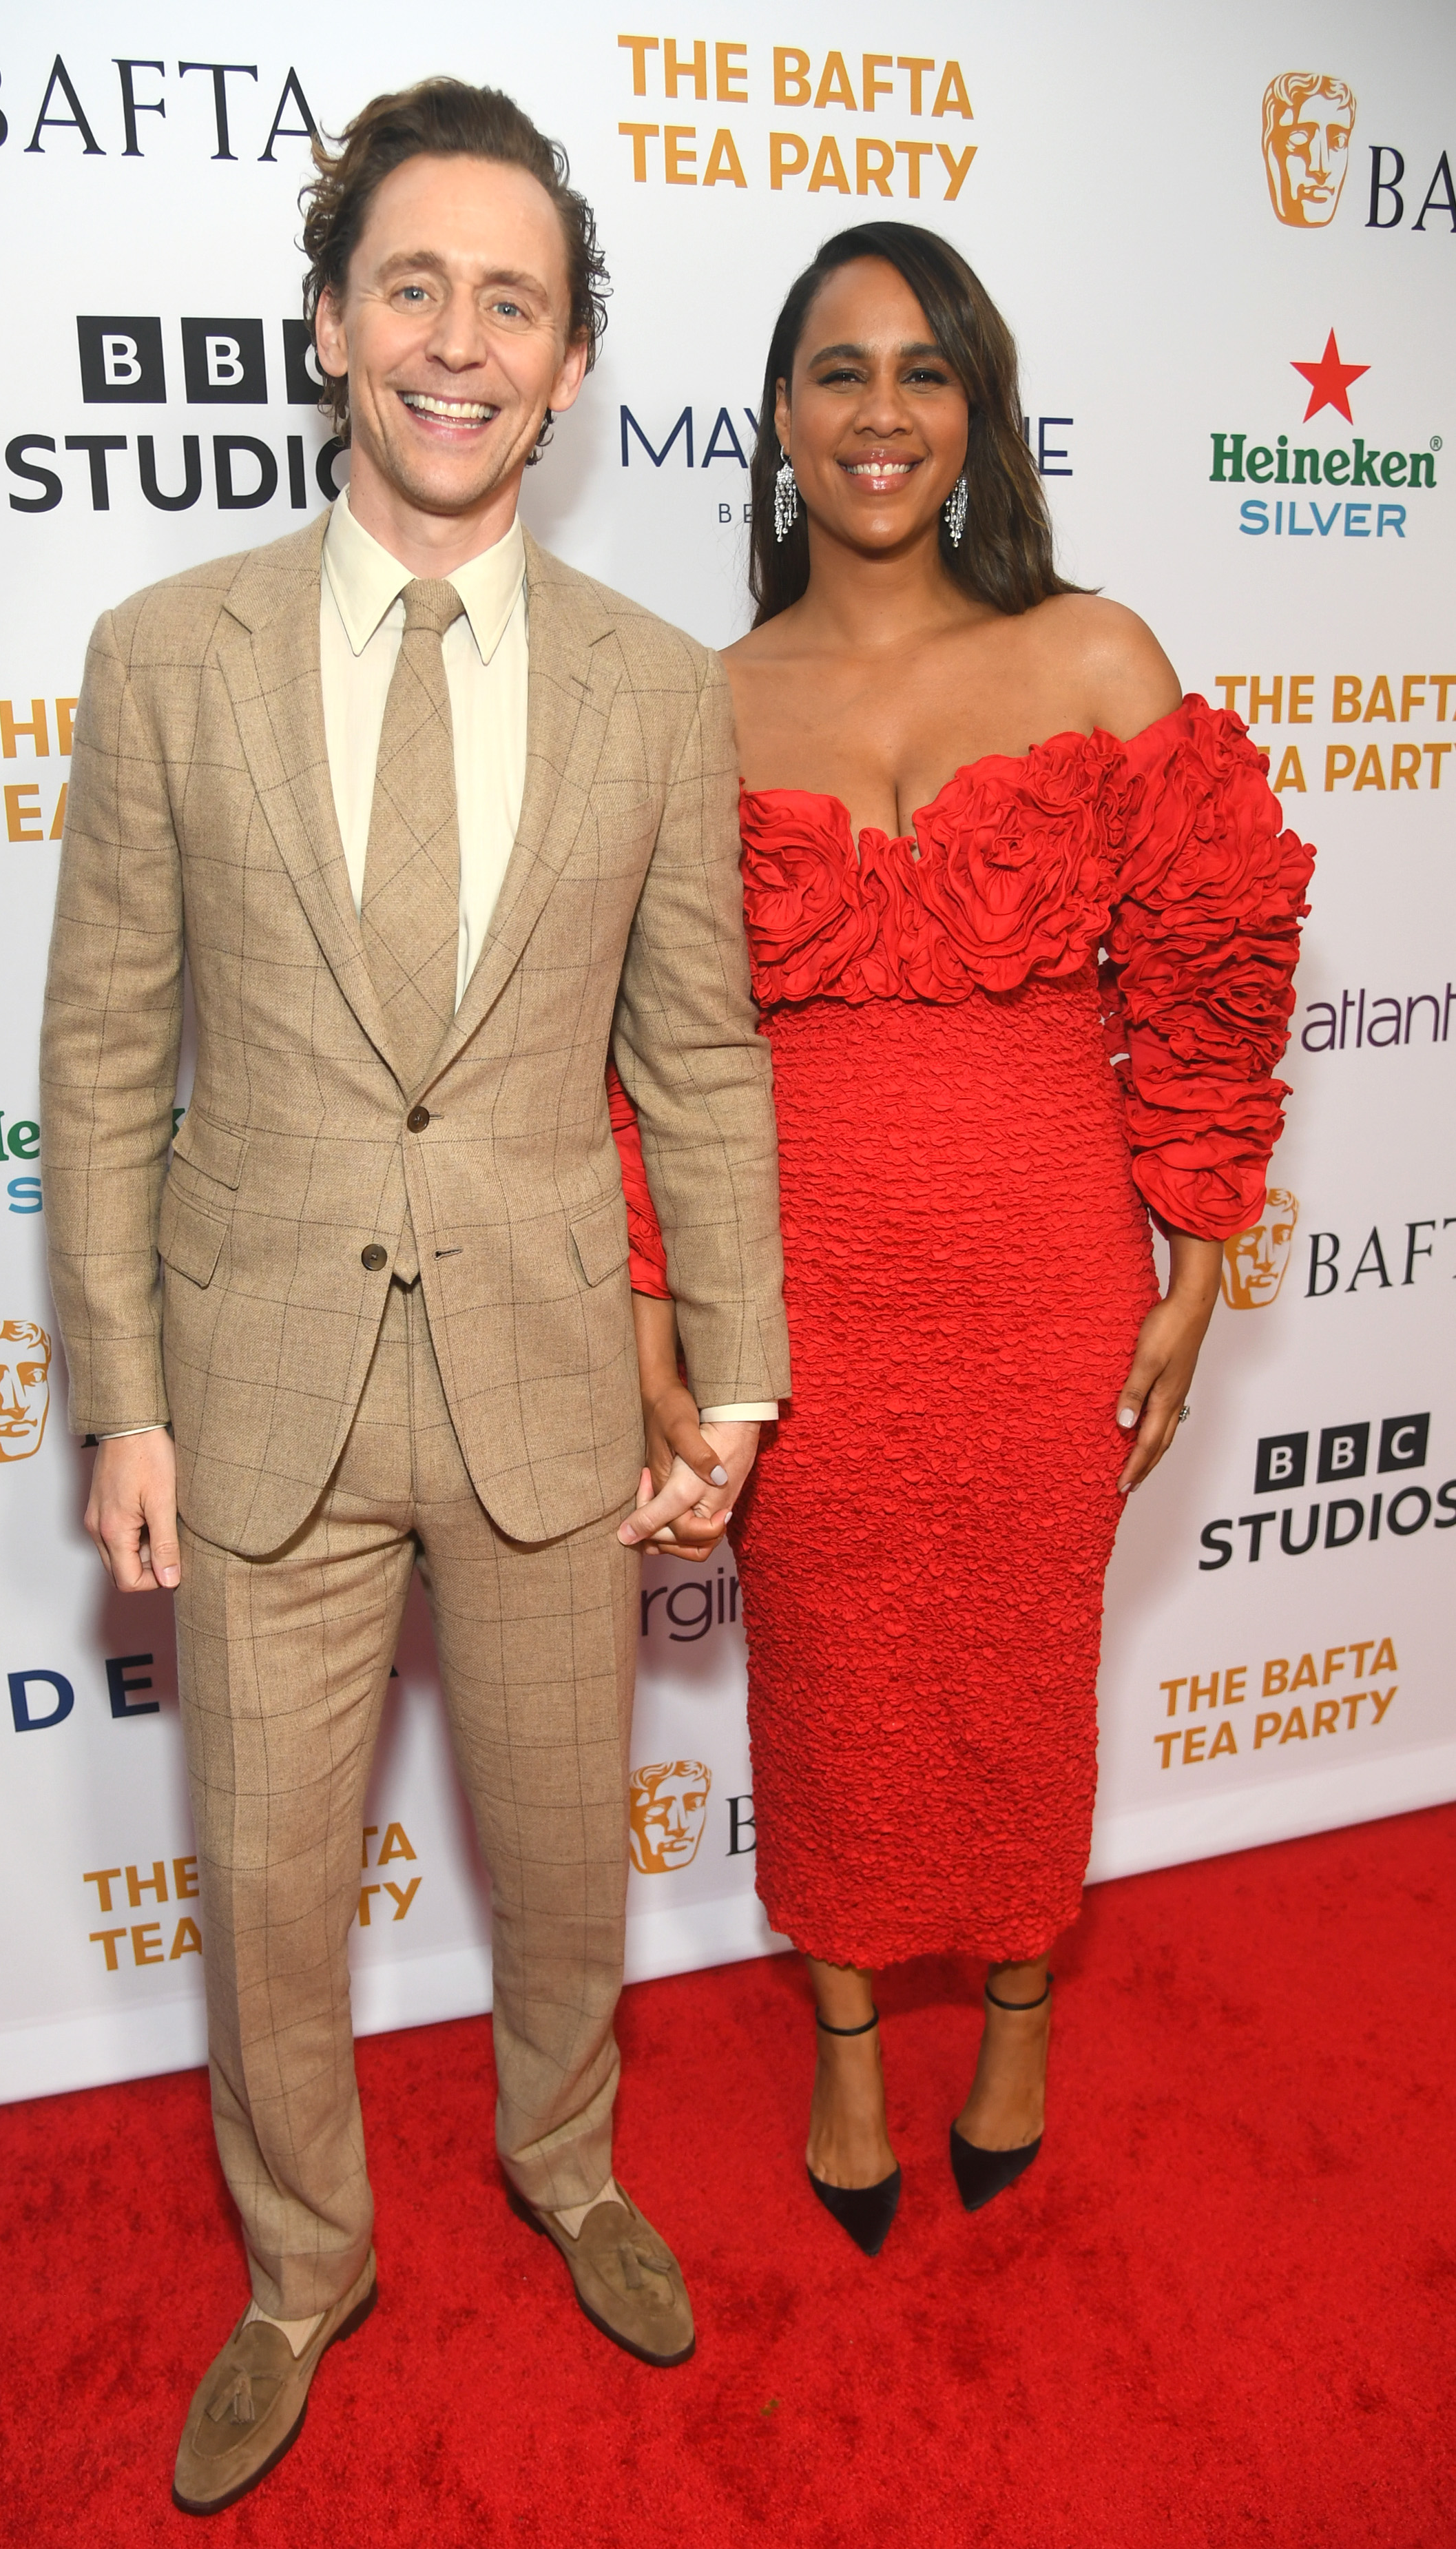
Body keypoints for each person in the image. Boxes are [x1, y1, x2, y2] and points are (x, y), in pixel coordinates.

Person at [41, 79, 787, 2515]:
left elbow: (695, 1051)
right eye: (413, 289)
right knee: (267, 1883)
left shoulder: (657, 685)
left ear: (568, 364)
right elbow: (103, 1053)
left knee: (563, 1849)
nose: (458, 343)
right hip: (256, 1382)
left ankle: (567, 2157)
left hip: (548, 1378)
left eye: (512, 303)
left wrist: (738, 1370)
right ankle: (298, 2266)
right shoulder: (164, 654)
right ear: (330, 323)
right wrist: (120, 1397)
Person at [614, 222, 1311, 2254]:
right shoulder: (695, 704)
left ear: (979, 411)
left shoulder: (1095, 658)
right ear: (777, 415)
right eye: (839, 370)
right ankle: (845, 2049)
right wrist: (656, 1304)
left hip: (1041, 1283)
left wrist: (1197, 1265)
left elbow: (1209, 980)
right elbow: (646, 1047)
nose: (881, 411)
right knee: (829, 1688)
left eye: (924, 370)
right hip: (800, 1303)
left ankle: (1017, 2017)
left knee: (1021, 1671)